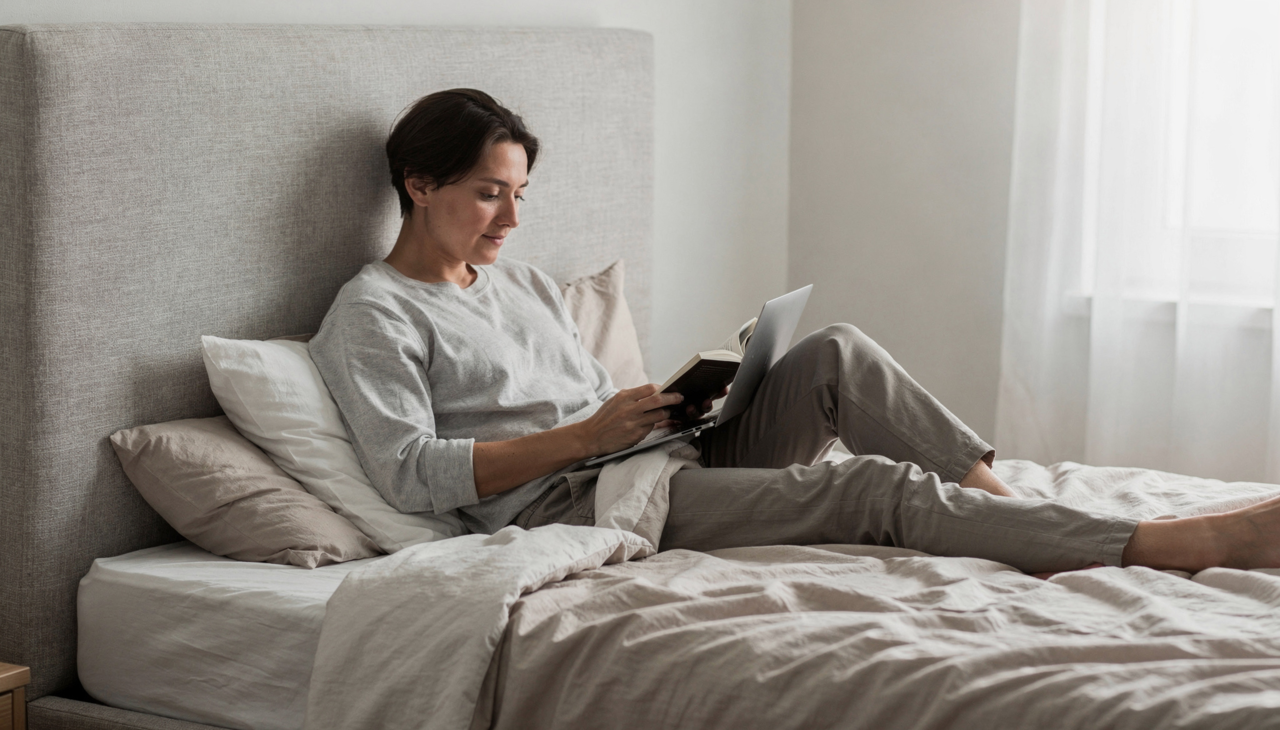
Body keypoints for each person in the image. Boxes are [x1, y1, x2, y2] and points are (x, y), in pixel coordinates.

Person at [310, 88, 1280, 575]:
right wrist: (590, 438)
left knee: (835, 355)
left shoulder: (517, 282)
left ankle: (1002, 501)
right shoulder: (373, 312)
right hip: (582, 506)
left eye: (519, 195)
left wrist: (679, 406)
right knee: (870, 486)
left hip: (649, 455)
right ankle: (1151, 542)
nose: (512, 221)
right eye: (489, 195)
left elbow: (593, 403)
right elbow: (409, 471)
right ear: (418, 185)